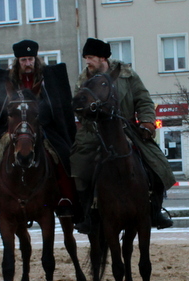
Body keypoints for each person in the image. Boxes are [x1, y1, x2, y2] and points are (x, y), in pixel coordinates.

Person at [71, 37, 176, 234]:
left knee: (158, 164)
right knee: (79, 168)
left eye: (91, 57)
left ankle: (155, 210)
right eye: (85, 57)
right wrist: (89, 118)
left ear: (103, 58)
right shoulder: (84, 79)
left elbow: (144, 100)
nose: (87, 62)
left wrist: (147, 123)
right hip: (94, 132)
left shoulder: (127, 75)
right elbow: (79, 107)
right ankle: (89, 215)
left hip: (128, 129)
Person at [0, 39, 78, 219]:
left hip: (43, 126)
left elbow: (56, 105)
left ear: (35, 59)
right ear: (18, 61)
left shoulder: (48, 78)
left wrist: (38, 120)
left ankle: (66, 198)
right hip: (12, 127)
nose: (27, 64)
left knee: (62, 153)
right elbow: (0, 108)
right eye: (23, 60)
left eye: (30, 59)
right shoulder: (8, 79)